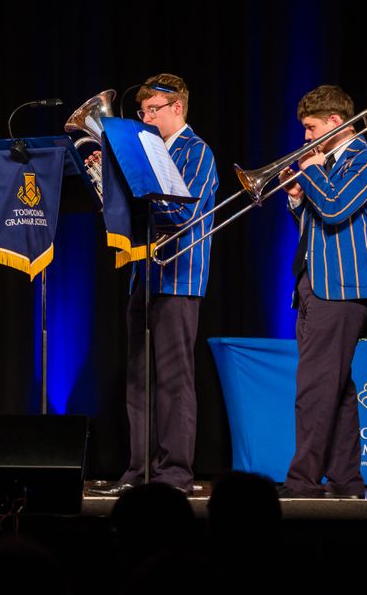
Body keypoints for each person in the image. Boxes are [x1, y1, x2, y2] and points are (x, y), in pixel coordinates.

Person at [90, 74, 219, 496]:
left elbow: (184, 216)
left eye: (152, 111)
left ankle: (175, 473)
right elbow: (129, 219)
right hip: (144, 276)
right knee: (139, 379)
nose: (144, 119)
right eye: (142, 112)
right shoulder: (149, 150)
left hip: (180, 278)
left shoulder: (196, 152)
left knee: (174, 381)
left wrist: (136, 182)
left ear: (177, 108)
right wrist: (106, 180)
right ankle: (139, 471)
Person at [277, 85, 367, 499]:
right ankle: (346, 480)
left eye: (311, 127)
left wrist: (310, 171)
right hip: (312, 284)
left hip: (342, 287)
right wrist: (296, 200)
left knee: (316, 386)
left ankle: (302, 480)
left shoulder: (366, 159)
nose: (306, 137)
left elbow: (337, 209)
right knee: (337, 388)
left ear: (336, 122)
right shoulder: (325, 166)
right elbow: (317, 227)